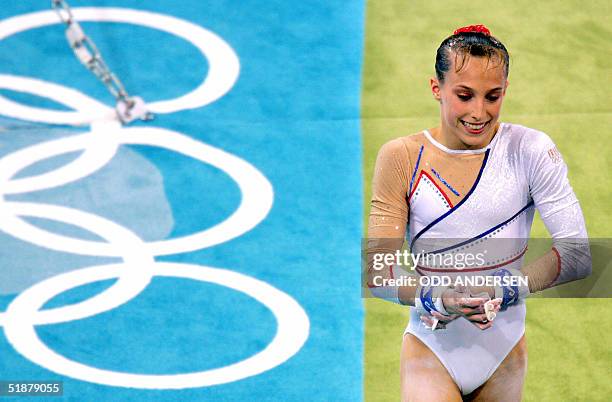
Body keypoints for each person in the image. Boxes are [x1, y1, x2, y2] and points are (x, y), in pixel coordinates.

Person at [366, 25, 591, 401]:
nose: (478, 112)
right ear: (436, 88)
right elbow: (376, 272)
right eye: (464, 95)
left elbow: (579, 255)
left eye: (493, 96)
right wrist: (437, 297)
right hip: (431, 349)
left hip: (504, 354)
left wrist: (503, 288)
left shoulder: (530, 150)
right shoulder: (402, 157)